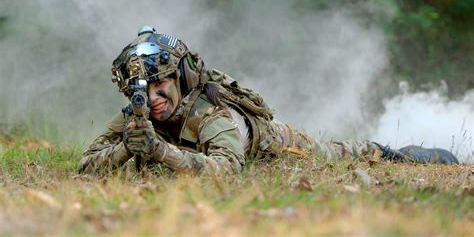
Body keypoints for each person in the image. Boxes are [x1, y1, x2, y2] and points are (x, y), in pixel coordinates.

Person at [78, 26, 459, 175]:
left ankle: (396, 151)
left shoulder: (214, 117)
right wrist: (125, 150)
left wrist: (159, 152)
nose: (153, 99)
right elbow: (86, 166)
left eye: (162, 87)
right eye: (143, 91)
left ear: (181, 78)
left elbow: (225, 173)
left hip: (275, 146)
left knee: (338, 153)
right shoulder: (142, 110)